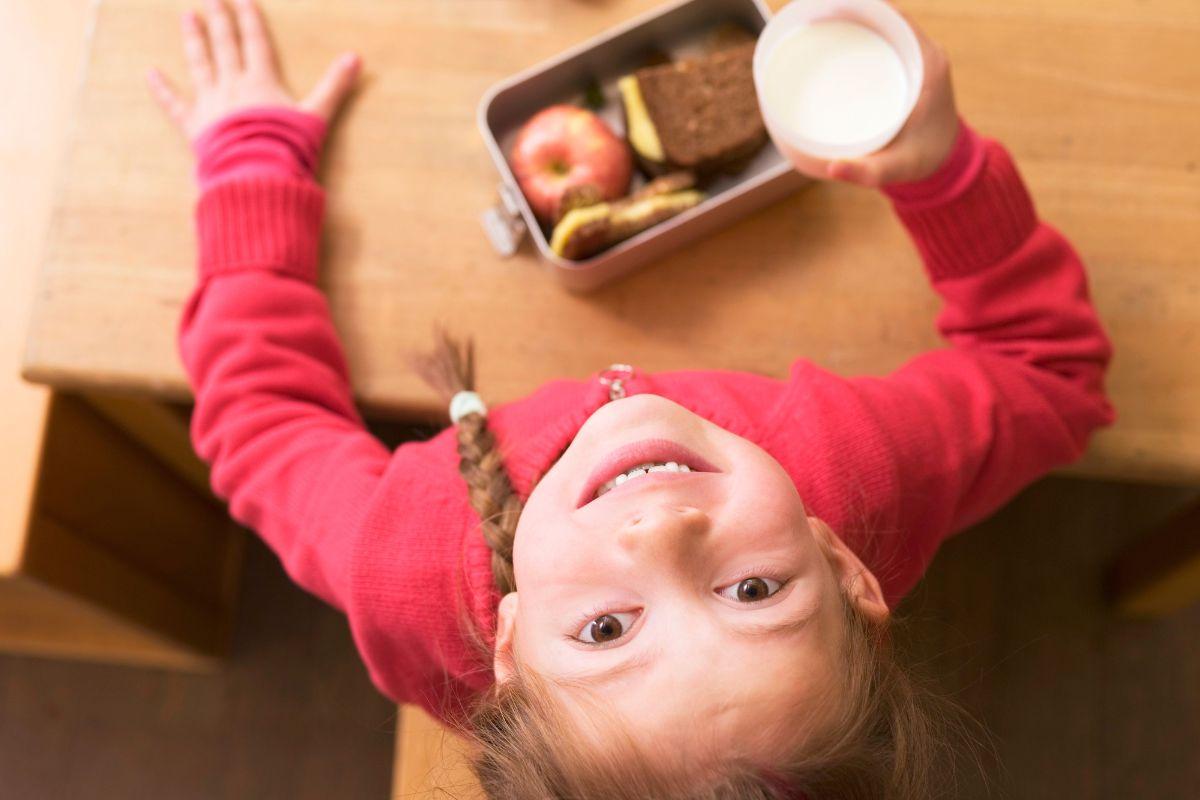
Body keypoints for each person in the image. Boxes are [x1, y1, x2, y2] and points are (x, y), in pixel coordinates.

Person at [147, 1, 1114, 796]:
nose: (659, 531)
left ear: (514, 653)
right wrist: (942, 174)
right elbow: (1048, 370)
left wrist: (249, 160)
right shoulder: (854, 463)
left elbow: (262, 417)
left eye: (608, 630)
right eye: (755, 590)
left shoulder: (397, 559)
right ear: (847, 568)